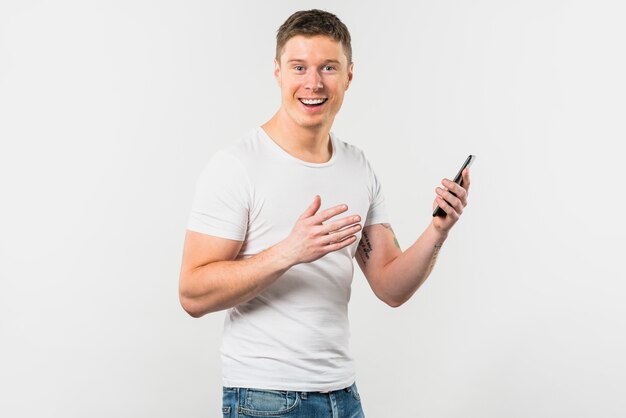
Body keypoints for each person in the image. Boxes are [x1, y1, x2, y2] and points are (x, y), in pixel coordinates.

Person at [178, 9, 471, 417]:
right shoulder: (237, 165)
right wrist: (289, 251)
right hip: (266, 398)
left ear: (349, 75)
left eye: (328, 67)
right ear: (278, 72)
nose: (313, 83)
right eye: (299, 67)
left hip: (342, 394)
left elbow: (390, 286)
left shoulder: (357, 166)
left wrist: (438, 230)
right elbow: (191, 293)